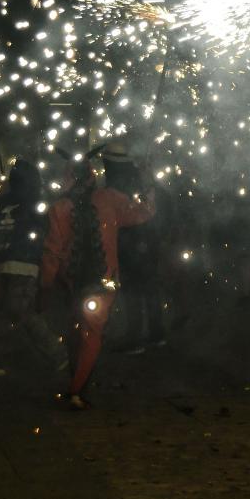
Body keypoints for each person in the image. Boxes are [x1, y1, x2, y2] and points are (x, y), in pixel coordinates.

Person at [40, 146, 155, 409]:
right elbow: (144, 212)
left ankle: (76, 387)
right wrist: (148, 182)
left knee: (75, 333)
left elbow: (52, 254)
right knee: (91, 334)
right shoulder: (110, 199)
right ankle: (77, 390)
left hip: (72, 284)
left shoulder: (59, 208)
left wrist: (45, 286)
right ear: (92, 176)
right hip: (104, 282)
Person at [0, 159, 65, 375]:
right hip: (24, 265)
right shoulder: (36, 205)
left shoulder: (3, 203)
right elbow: (46, 236)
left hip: (9, 265)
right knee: (19, 312)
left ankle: (56, 354)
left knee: (18, 311)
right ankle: (57, 354)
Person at [102, 141, 168, 354]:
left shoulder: (118, 183)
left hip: (132, 242)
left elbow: (128, 212)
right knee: (149, 288)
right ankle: (156, 335)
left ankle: (136, 338)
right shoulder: (140, 178)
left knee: (133, 291)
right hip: (147, 240)